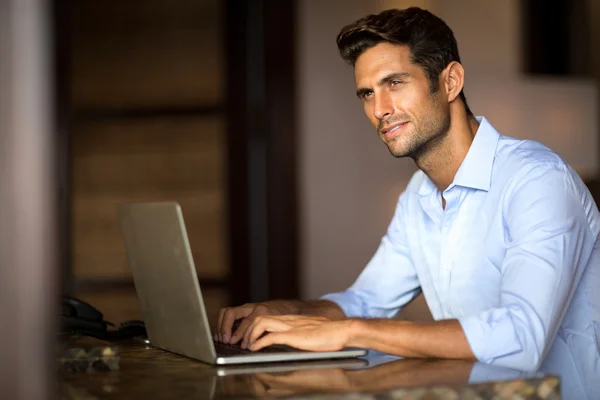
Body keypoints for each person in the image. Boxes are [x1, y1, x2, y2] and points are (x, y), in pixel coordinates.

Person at [214, 7, 600, 371]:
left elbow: (522, 336)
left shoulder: (537, 181)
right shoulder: (418, 197)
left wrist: (349, 332)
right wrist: (283, 313)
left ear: (450, 82)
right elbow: (365, 302)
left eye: (394, 83)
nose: (379, 108)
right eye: (367, 93)